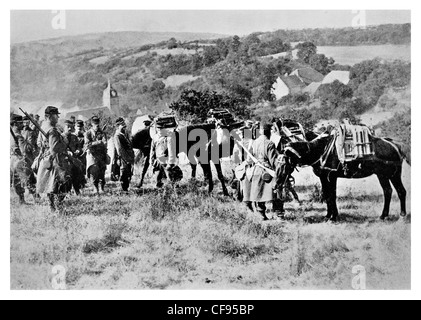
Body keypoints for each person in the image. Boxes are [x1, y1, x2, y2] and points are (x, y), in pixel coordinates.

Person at [36, 106, 73, 211]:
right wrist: (64, 141)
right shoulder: (52, 130)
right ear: (49, 116)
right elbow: (55, 148)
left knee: (50, 185)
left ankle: (52, 207)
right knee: (64, 182)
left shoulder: (43, 127)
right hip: (55, 160)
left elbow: (39, 143)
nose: (57, 117)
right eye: (56, 115)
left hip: (46, 159)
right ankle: (58, 206)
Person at [247, 123, 284, 220]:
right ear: (268, 132)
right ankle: (279, 214)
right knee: (277, 190)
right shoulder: (270, 143)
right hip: (267, 172)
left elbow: (251, 157)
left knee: (258, 192)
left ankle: (261, 214)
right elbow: (272, 160)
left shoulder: (255, 142)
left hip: (256, 170)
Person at [10, 114, 38, 204]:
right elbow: (25, 149)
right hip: (19, 160)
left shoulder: (12, 134)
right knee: (28, 178)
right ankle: (34, 198)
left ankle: (22, 199)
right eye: (20, 122)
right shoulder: (18, 136)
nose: (22, 124)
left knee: (17, 180)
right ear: (15, 124)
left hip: (13, 159)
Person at [150, 116, 180, 188]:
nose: (160, 130)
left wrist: (170, 163)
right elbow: (152, 150)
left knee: (171, 179)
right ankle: (159, 192)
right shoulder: (155, 137)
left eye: (161, 128)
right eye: (158, 128)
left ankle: (175, 192)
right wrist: (151, 161)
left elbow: (172, 152)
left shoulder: (168, 138)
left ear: (164, 128)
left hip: (166, 161)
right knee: (158, 179)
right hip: (158, 161)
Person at [84, 116, 108, 193]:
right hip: (92, 155)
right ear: (92, 124)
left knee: (102, 171)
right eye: (95, 123)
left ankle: (101, 188)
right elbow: (87, 145)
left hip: (101, 155)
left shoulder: (102, 133)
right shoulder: (88, 133)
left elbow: (105, 143)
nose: (97, 125)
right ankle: (95, 187)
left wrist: (102, 143)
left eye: (97, 123)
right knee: (94, 172)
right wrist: (98, 142)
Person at [62, 120, 86, 195]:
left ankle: (77, 191)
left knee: (76, 175)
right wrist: (66, 151)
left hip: (74, 160)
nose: (69, 128)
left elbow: (79, 146)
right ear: (64, 127)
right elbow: (58, 148)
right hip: (65, 160)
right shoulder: (61, 137)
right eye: (67, 127)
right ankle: (67, 192)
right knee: (67, 177)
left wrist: (78, 150)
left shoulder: (74, 137)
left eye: (71, 127)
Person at [113, 117, 135, 191]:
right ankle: (124, 189)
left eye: (124, 124)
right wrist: (126, 159)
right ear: (118, 126)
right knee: (124, 173)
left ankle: (126, 188)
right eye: (122, 125)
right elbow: (119, 149)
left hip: (128, 157)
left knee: (128, 173)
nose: (124, 126)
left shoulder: (124, 134)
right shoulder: (117, 136)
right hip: (123, 158)